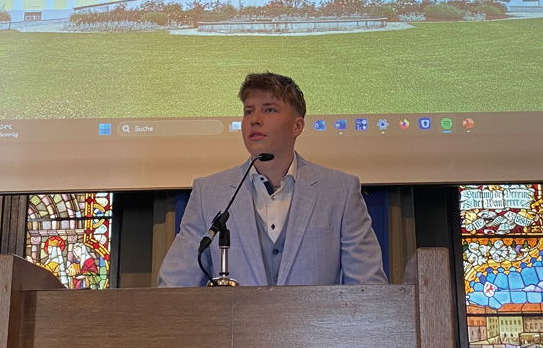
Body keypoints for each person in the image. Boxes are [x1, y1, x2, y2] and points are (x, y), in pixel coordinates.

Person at [158, 72, 387, 287]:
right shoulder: (208, 193)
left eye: (269, 110)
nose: (254, 120)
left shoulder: (341, 191)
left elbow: (368, 287)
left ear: (297, 126)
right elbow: (173, 285)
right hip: (236, 319)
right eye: (249, 111)